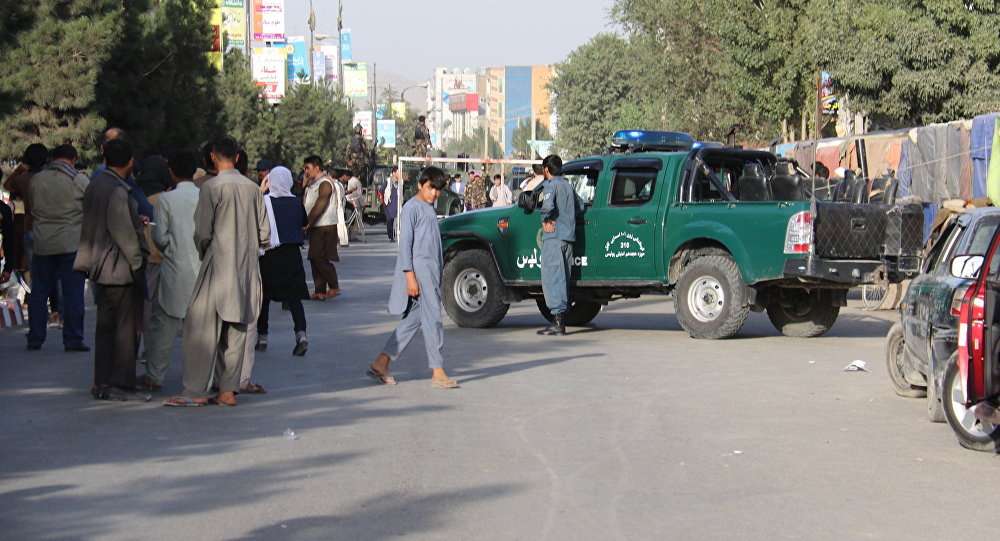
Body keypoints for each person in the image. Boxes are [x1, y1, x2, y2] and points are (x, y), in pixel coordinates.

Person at [163, 135, 269, 407]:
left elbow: (202, 232)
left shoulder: (211, 188)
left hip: (217, 265)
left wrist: (206, 252)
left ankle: (197, 390)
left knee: (202, 329)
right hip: (245, 269)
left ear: (212, 157)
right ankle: (227, 390)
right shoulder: (252, 188)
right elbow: (264, 234)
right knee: (236, 331)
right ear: (236, 157)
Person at [73, 138, 151, 401]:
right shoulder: (117, 190)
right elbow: (123, 234)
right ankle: (120, 384)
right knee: (126, 331)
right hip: (119, 268)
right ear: (130, 162)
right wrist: (137, 262)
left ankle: (103, 381)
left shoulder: (96, 184)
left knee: (106, 329)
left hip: (99, 266)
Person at [367, 166, 458, 389]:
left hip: (431, 272)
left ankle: (382, 361)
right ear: (420, 185)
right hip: (420, 273)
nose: (434, 193)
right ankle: (437, 370)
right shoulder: (412, 208)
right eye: (430, 188)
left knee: (412, 321)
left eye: (438, 190)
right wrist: (410, 276)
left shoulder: (428, 208)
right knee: (434, 319)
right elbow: (405, 245)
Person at [141, 149, 201, 391]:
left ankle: (154, 376)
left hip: (174, 268)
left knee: (163, 325)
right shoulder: (206, 196)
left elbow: (159, 236)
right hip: (203, 270)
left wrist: (170, 247)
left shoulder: (167, 200)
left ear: (172, 173)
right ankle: (200, 379)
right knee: (200, 330)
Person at [25, 144, 90, 352]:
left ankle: (35, 338)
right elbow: (89, 208)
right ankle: (73, 339)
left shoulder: (37, 179)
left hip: (43, 242)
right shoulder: (78, 180)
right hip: (70, 242)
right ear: (73, 159)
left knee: (39, 291)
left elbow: (32, 205)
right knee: (73, 292)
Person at [254, 166, 309, 356]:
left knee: (264, 298)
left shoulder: (264, 201)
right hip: (292, 254)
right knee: (294, 298)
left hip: (269, 254)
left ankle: (262, 338)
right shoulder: (296, 202)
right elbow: (303, 223)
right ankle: (301, 335)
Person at [537, 154, 578, 336]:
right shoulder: (569, 186)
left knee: (553, 278)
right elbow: (581, 207)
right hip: (568, 237)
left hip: (554, 237)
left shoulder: (551, 186)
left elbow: (547, 206)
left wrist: (545, 219)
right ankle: (560, 318)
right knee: (563, 278)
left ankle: (557, 322)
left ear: (546, 170)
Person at [302, 156, 342, 300]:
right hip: (315, 226)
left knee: (318, 256)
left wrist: (309, 222)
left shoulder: (325, 183)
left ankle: (334, 286)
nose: (305, 171)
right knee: (314, 258)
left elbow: (321, 204)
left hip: (324, 225)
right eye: (304, 168)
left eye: (308, 168)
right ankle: (319, 290)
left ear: (317, 167)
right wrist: (304, 185)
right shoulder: (312, 183)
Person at [381, 166, 401, 241]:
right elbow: (381, 190)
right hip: (390, 203)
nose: (399, 174)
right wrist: (383, 199)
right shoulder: (388, 181)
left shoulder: (401, 181)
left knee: (399, 220)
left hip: (398, 203)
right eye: (398, 172)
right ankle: (391, 237)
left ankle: (398, 235)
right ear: (394, 173)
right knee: (390, 221)